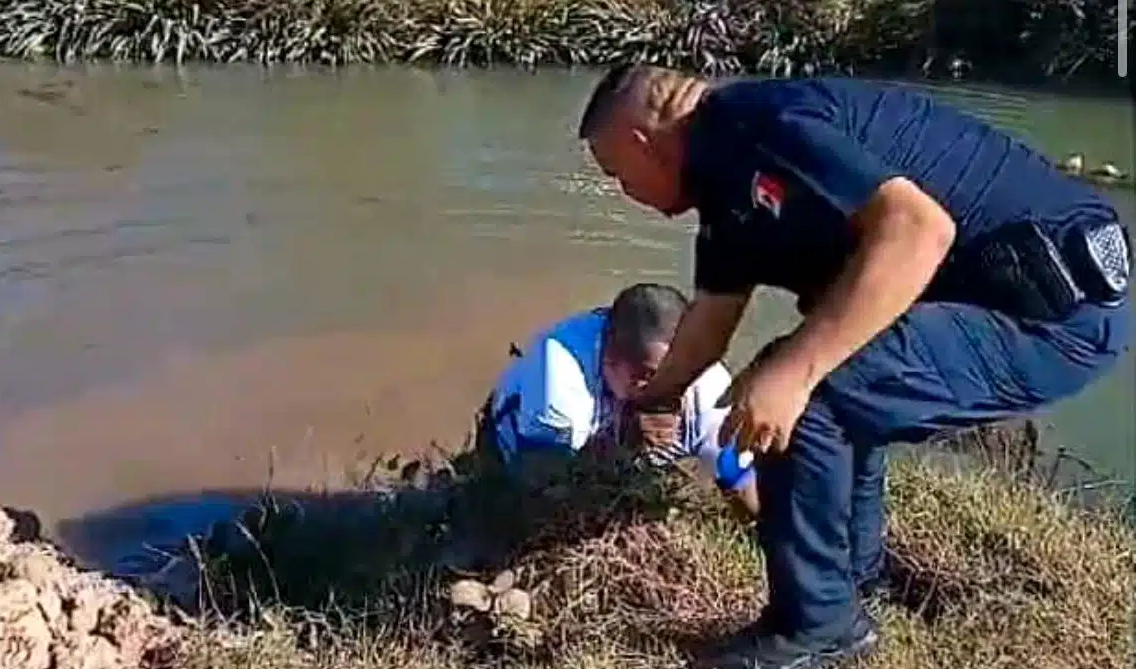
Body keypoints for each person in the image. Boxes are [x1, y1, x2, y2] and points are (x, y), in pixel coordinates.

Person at [576, 66, 1131, 669]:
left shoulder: (761, 126)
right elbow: (710, 317)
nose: (624, 191)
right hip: (1022, 296)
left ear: (640, 143)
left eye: (615, 175)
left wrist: (793, 374)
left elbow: (918, 230)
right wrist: (647, 402)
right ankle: (854, 585)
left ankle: (817, 627)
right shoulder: (724, 177)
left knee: (804, 397)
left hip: (1055, 308)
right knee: (836, 382)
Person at [476, 282, 760, 519]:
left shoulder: (707, 384)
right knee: (497, 504)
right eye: (649, 376)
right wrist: (622, 439)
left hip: (598, 438)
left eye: (680, 371)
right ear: (609, 360)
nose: (673, 387)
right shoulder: (560, 379)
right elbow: (542, 485)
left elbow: (741, 482)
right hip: (518, 442)